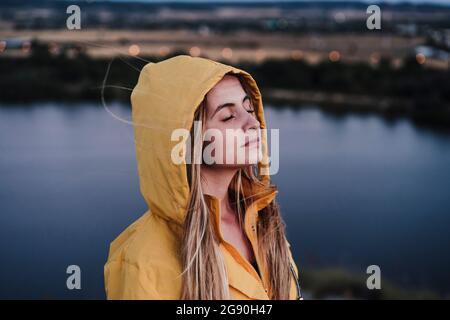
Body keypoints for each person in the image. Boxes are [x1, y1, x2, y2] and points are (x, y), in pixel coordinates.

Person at [104, 55, 301, 300]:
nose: (253, 123)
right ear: (188, 139)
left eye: (249, 108)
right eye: (228, 116)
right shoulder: (141, 262)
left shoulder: (262, 219)